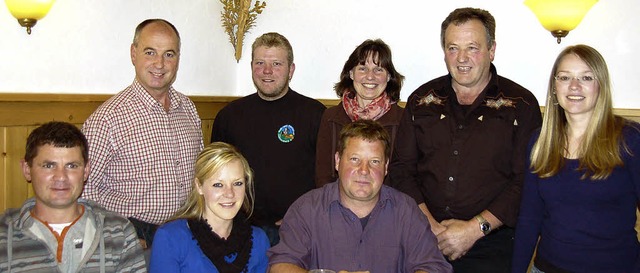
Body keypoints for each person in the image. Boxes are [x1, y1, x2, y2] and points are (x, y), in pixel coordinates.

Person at [387, 7, 542, 273]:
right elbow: (402, 170)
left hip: (491, 241)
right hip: (423, 237)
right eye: (452, 48)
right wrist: (431, 228)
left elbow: (525, 181)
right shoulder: (421, 100)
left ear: (492, 50)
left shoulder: (521, 105)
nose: (462, 58)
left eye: (472, 48)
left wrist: (473, 230)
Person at [511, 45, 640, 273]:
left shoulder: (630, 139)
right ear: (554, 87)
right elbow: (529, 219)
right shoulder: (539, 141)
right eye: (564, 77)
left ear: (600, 86)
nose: (574, 86)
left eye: (586, 77)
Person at [268, 119, 453, 273]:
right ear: (338, 161)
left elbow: (433, 267)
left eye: (374, 161)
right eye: (355, 159)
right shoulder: (306, 209)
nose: (364, 170)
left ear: (386, 167)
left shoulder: (406, 210)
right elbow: (280, 266)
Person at [81, 19, 204, 249]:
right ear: (133, 53)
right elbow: (83, 191)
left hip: (186, 233)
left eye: (169, 54)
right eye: (150, 52)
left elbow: (201, 175)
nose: (160, 64)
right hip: (134, 236)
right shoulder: (108, 119)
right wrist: (115, 238)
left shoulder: (188, 108)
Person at [211, 32, 326, 246]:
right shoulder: (229, 116)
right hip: (240, 228)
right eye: (260, 62)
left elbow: (327, 178)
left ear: (291, 70)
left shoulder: (315, 115)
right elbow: (214, 177)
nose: (267, 71)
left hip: (297, 229)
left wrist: (304, 216)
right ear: (251, 66)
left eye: (276, 64)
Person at [0, 121, 146, 272]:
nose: (61, 177)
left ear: (86, 170)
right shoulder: (4, 234)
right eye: (49, 166)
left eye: (72, 166)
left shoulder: (118, 232)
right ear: (27, 170)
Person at [149, 142, 269, 272]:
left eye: (237, 183)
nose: (229, 193)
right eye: (218, 185)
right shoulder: (170, 238)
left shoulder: (258, 240)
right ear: (199, 186)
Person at [315, 39, 405, 187]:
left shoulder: (402, 120)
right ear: (351, 73)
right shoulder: (330, 117)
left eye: (379, 70)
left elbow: (403, 177)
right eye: (362, 68)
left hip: (388, 206)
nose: (370, 76)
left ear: (388, 77)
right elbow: (323, 175)